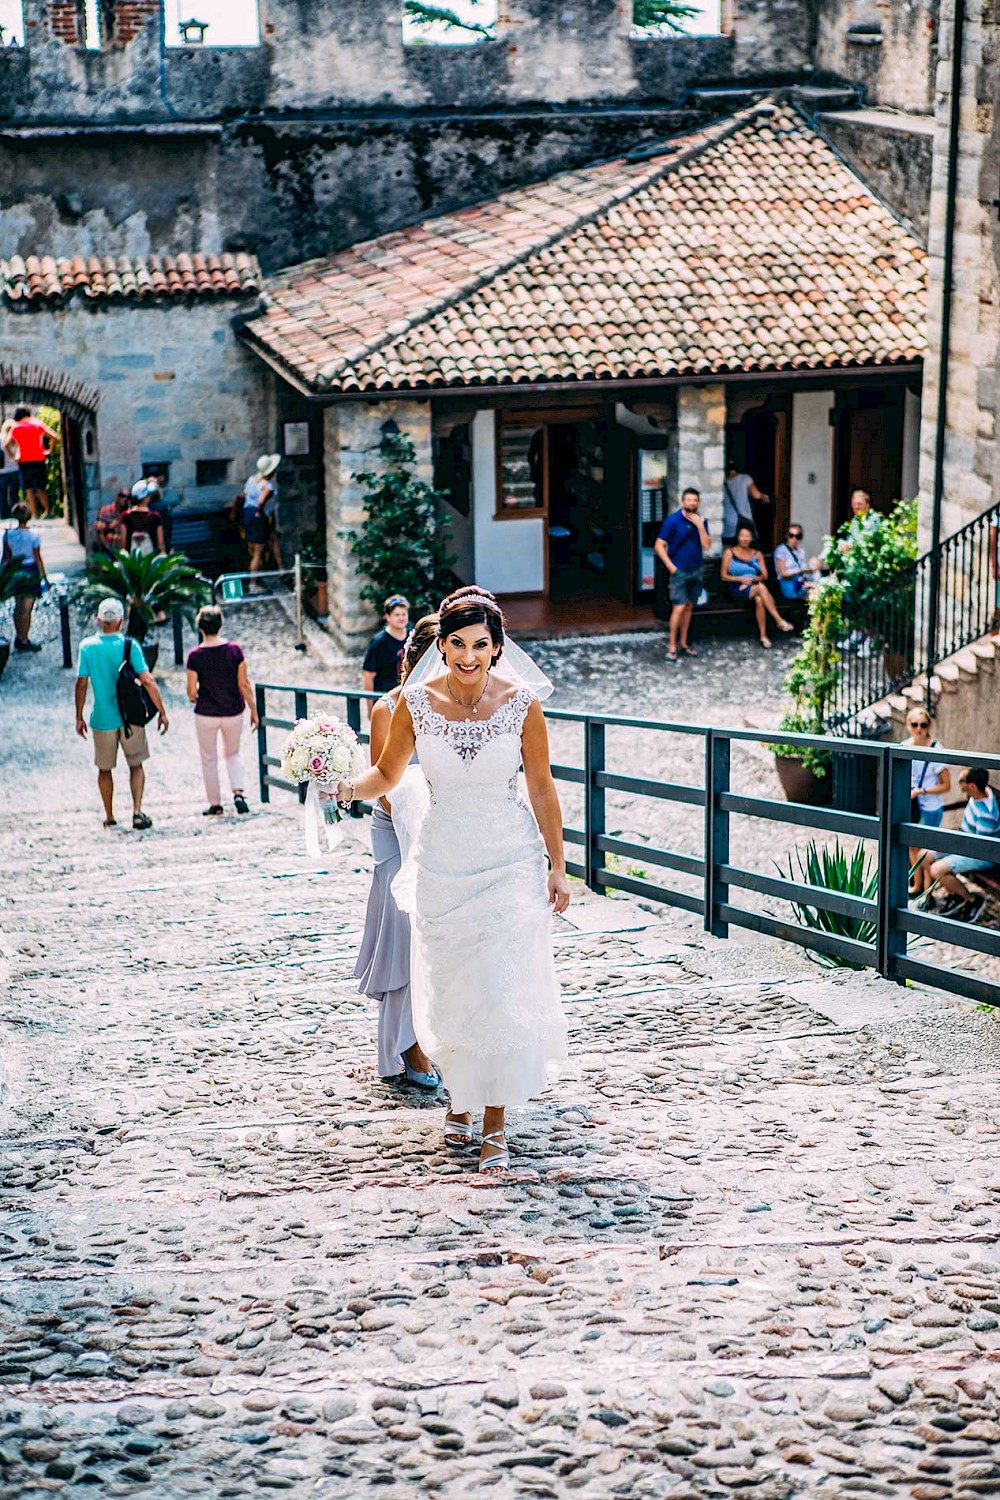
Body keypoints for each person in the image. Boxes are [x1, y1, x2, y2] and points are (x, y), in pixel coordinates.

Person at [334, 586, 569, 1175]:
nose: (468, 657)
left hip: (509, 862)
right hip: (443, 863)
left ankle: (495, 1124)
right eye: (458, 644)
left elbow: (541, 788)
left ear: (497, 649)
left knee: (496, 990)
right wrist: (341, 785)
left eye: (481, 646)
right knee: (454, 990)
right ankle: (460, 1098)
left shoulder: (522, 707)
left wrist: (558, 865)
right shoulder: (415, 705)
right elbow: (387, 773)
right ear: (441, 645)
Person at [355, 614, 441, 1089]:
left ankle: (431, 1035)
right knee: (402, 933)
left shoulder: (448, 706)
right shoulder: (387, 708)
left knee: (435, 938)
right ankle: (403, 1047)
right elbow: (383, 787)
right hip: (396, 827)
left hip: (440, 831)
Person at [75, 597, 169, 830]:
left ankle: (110, 815)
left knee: (104, 769)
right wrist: (162, 711)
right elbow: (147, 680)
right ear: (121, 621)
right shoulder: (130, 646)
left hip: (102, 718)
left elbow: (81, 683)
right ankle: (137, 811)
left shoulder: (87, 647)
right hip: (131, 717)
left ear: (98, 620)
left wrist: (79, 716)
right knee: (136, 764)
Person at [186, 606, 258, 816]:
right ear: (220, 625)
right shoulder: (235, 651)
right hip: (233, 711)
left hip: (206, 714)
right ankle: (238, 793)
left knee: (209, 758)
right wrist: (254, 710)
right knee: (233, 753)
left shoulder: (195, 656)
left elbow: (191, 691)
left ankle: (215, 804)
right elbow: (244, 683)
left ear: (200, 627)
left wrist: (198, 697)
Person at [928, 766, 1000, 924]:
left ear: (972, 786)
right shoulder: (980, 792)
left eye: (961, 780)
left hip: (983, 854)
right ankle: (955, 895)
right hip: (966, 842)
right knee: (926, 856)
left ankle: (972, 900)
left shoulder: (987, 815)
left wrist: (950, 847)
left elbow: (979, 847)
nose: (958, 783)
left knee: (936, 869)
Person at [654, 487, 712, 664]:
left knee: (688, 607)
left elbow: (707, 545)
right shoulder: (673, 521)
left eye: (695, 500)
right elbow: (658, 545)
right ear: (683, 501)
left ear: (698, 502)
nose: (692, 503)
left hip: (696, 569)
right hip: (679, 571)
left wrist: (701, 526)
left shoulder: (702, 521)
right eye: (689, 500)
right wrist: (672, 567)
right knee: (678, 608)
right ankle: (672, 646)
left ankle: (684, 643)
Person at [720, 522, 793, 649]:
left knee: (759, 599)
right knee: (760, 587)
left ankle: (763, 636)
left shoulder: (757, 553)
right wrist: (740, 579)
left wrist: (752, 580)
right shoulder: (729, 552)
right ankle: (779, 620)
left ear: (751, 538)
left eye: (747, 536)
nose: (745, 539)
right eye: (742, 536)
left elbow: (764, 575)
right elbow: (723, 576)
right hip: (736, 586)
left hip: (753, 584)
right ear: (738, 537)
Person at [903, 710, 951, 901]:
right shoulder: (904, 746)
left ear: (929, 726)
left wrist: (922, 791)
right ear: (909, 725)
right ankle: (917, 886)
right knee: (912, 847)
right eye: (915, 725)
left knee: (924, 852)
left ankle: (926, 893)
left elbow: (946, 785)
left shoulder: (936, 749)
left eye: (923, 725)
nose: (919, 729)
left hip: (930, 808)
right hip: (912, 806)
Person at [2, 502, 48, 653]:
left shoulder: (8, 534)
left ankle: (19, 636)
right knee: (27, 609)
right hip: (30, 571)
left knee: (18, 606)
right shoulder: (34, 535)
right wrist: (44, 576)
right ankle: (24, 639)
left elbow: (6, 557)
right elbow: (37, 557)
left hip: (15, 570)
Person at [9, 405, 58, 520]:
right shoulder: (37, 424)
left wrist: (14, 456)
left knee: (29, 488)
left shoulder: (16, 427)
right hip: (38, 459)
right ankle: (47, 511)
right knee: (41, 487)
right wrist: (49, 451)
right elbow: (53, 436)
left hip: (24, 461)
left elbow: (7, 444)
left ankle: (34, 514)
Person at [362, 595, 410, 704]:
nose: (401, 618)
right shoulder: (379, 642)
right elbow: (368, 676)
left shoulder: (412, 636)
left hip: (406, 697)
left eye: (404, 614)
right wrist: (370, 707)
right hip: (386, 700)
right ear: (388, 617)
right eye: (397, 615)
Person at [243, 454, 281, 577]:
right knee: (258, 551)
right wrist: (260, 511)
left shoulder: (251, 479)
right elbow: (261, 500)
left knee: (272, 538)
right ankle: (253, 583)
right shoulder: (268, 485)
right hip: (259, 516)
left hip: (247, 512)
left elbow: (244, 494)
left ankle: (280, 568)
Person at [723, 463, 772, 549]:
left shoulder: (724, 481)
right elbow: (756, 495)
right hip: (743, 519)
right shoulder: (745, 478)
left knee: (729, 549)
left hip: (727, 521)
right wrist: (763, 496)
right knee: (747, 548)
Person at [774, 525, 821, 601]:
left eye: (797, 536)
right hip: (789, 584)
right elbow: (783, 573)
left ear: (800, 538)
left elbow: (804, 569)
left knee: (817, 571)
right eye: (791, 535)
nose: (794, 539)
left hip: (801, 581)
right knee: (816, 594)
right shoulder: (781, 549)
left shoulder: (801, 551)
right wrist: (800, 570)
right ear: (787, 536)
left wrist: (812, 567)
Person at [120, 481, 166, 556]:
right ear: (145, 497)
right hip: (151, 561)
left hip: (132, 561)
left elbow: (123, 543)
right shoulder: (155, 517)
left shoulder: (125, 516)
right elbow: (161, 544)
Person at [95, 489, 131, 555]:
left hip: (125, 551)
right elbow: (99, 531)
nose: (125, 499)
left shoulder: (129, 513)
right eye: (122, 496)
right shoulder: (106, 510)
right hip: (109, 549)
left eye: (128, 497)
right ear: (117, 497)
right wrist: (107, 547)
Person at [0, 419, 20, 520]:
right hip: (15, 469)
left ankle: (3, 515)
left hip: (2, 471)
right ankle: (15, 514)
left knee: (2, 494)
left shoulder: (0, 438)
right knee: (14, 494)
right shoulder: (16, 438)